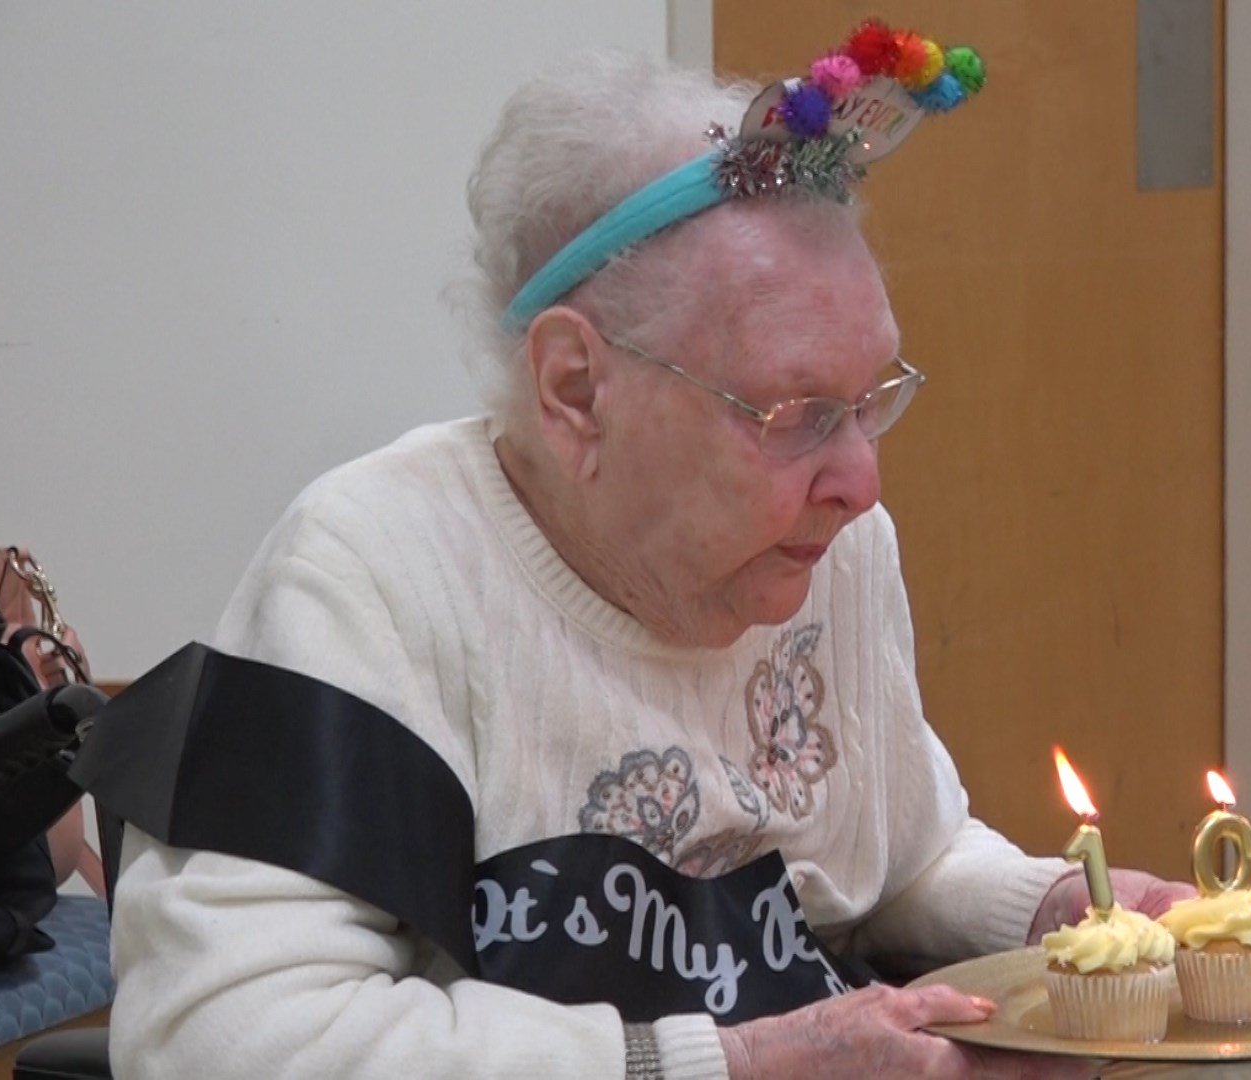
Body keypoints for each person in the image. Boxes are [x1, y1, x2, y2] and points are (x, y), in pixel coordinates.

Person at [90, 38, 1190, 1079]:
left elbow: (901, 860)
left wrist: (1057, 911)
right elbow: (224, 1042)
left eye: (871, 402)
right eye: (797, 411)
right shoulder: (374, 574)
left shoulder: (824, 552)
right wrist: (736, 1063)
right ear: (576, 390)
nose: (861, 482)